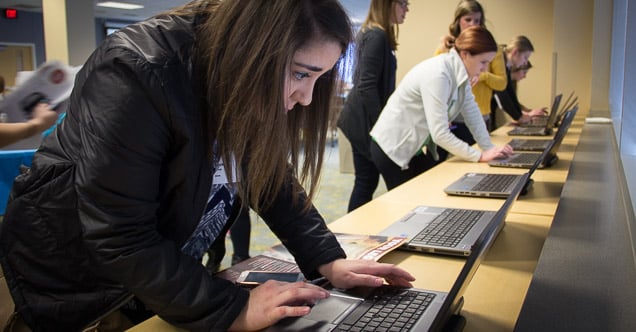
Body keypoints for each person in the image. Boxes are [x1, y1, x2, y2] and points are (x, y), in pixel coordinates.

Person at [0, 1, 415, 331]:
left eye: (318, 79)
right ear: (254, 49)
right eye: (300, 74)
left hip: (153, 275)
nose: (306, 98)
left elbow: (270, 177)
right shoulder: (134, 70)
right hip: (76, 284)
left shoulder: (240, 77)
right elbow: (119, 233)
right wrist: (230, 308)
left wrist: (328, 260)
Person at [369, 26, 514, 190]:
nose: (485, 69)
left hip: (412, 145)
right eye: (483, 62)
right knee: (407, 202)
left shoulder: (459, 73)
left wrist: (489, 149)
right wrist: (479, 155)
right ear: (465, 54)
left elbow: (472, 112)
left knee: (427, 190)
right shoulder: (439, 73)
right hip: (391, 145)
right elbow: (439, 133)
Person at [337, 0, 409, 212]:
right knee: (366, 181)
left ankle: (353, 232)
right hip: (361, 121)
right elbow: (366, 87)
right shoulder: (376, 36)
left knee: (366, 180)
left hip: (362, 118)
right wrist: (383, 125)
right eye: (403, 4)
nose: (407, 10)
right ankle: (350, 233)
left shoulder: (377, 35)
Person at [435, 0, 507, 146]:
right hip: (451, 118)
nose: (472, 24)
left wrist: (482, 75)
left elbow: (502, 83)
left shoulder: (491, 49)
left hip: (479, 115)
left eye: (477, 20)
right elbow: (437, 81)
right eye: (468, 20)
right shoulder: (447, 47)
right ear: (458, 22)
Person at [491, 35, 547, 127]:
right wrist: (519, 117)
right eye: (525, 57)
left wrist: (520, 116)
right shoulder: (499, 61)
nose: (525, 62)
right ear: (515, 52)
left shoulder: (506, 65)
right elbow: (502, 93)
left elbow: (510, 93)